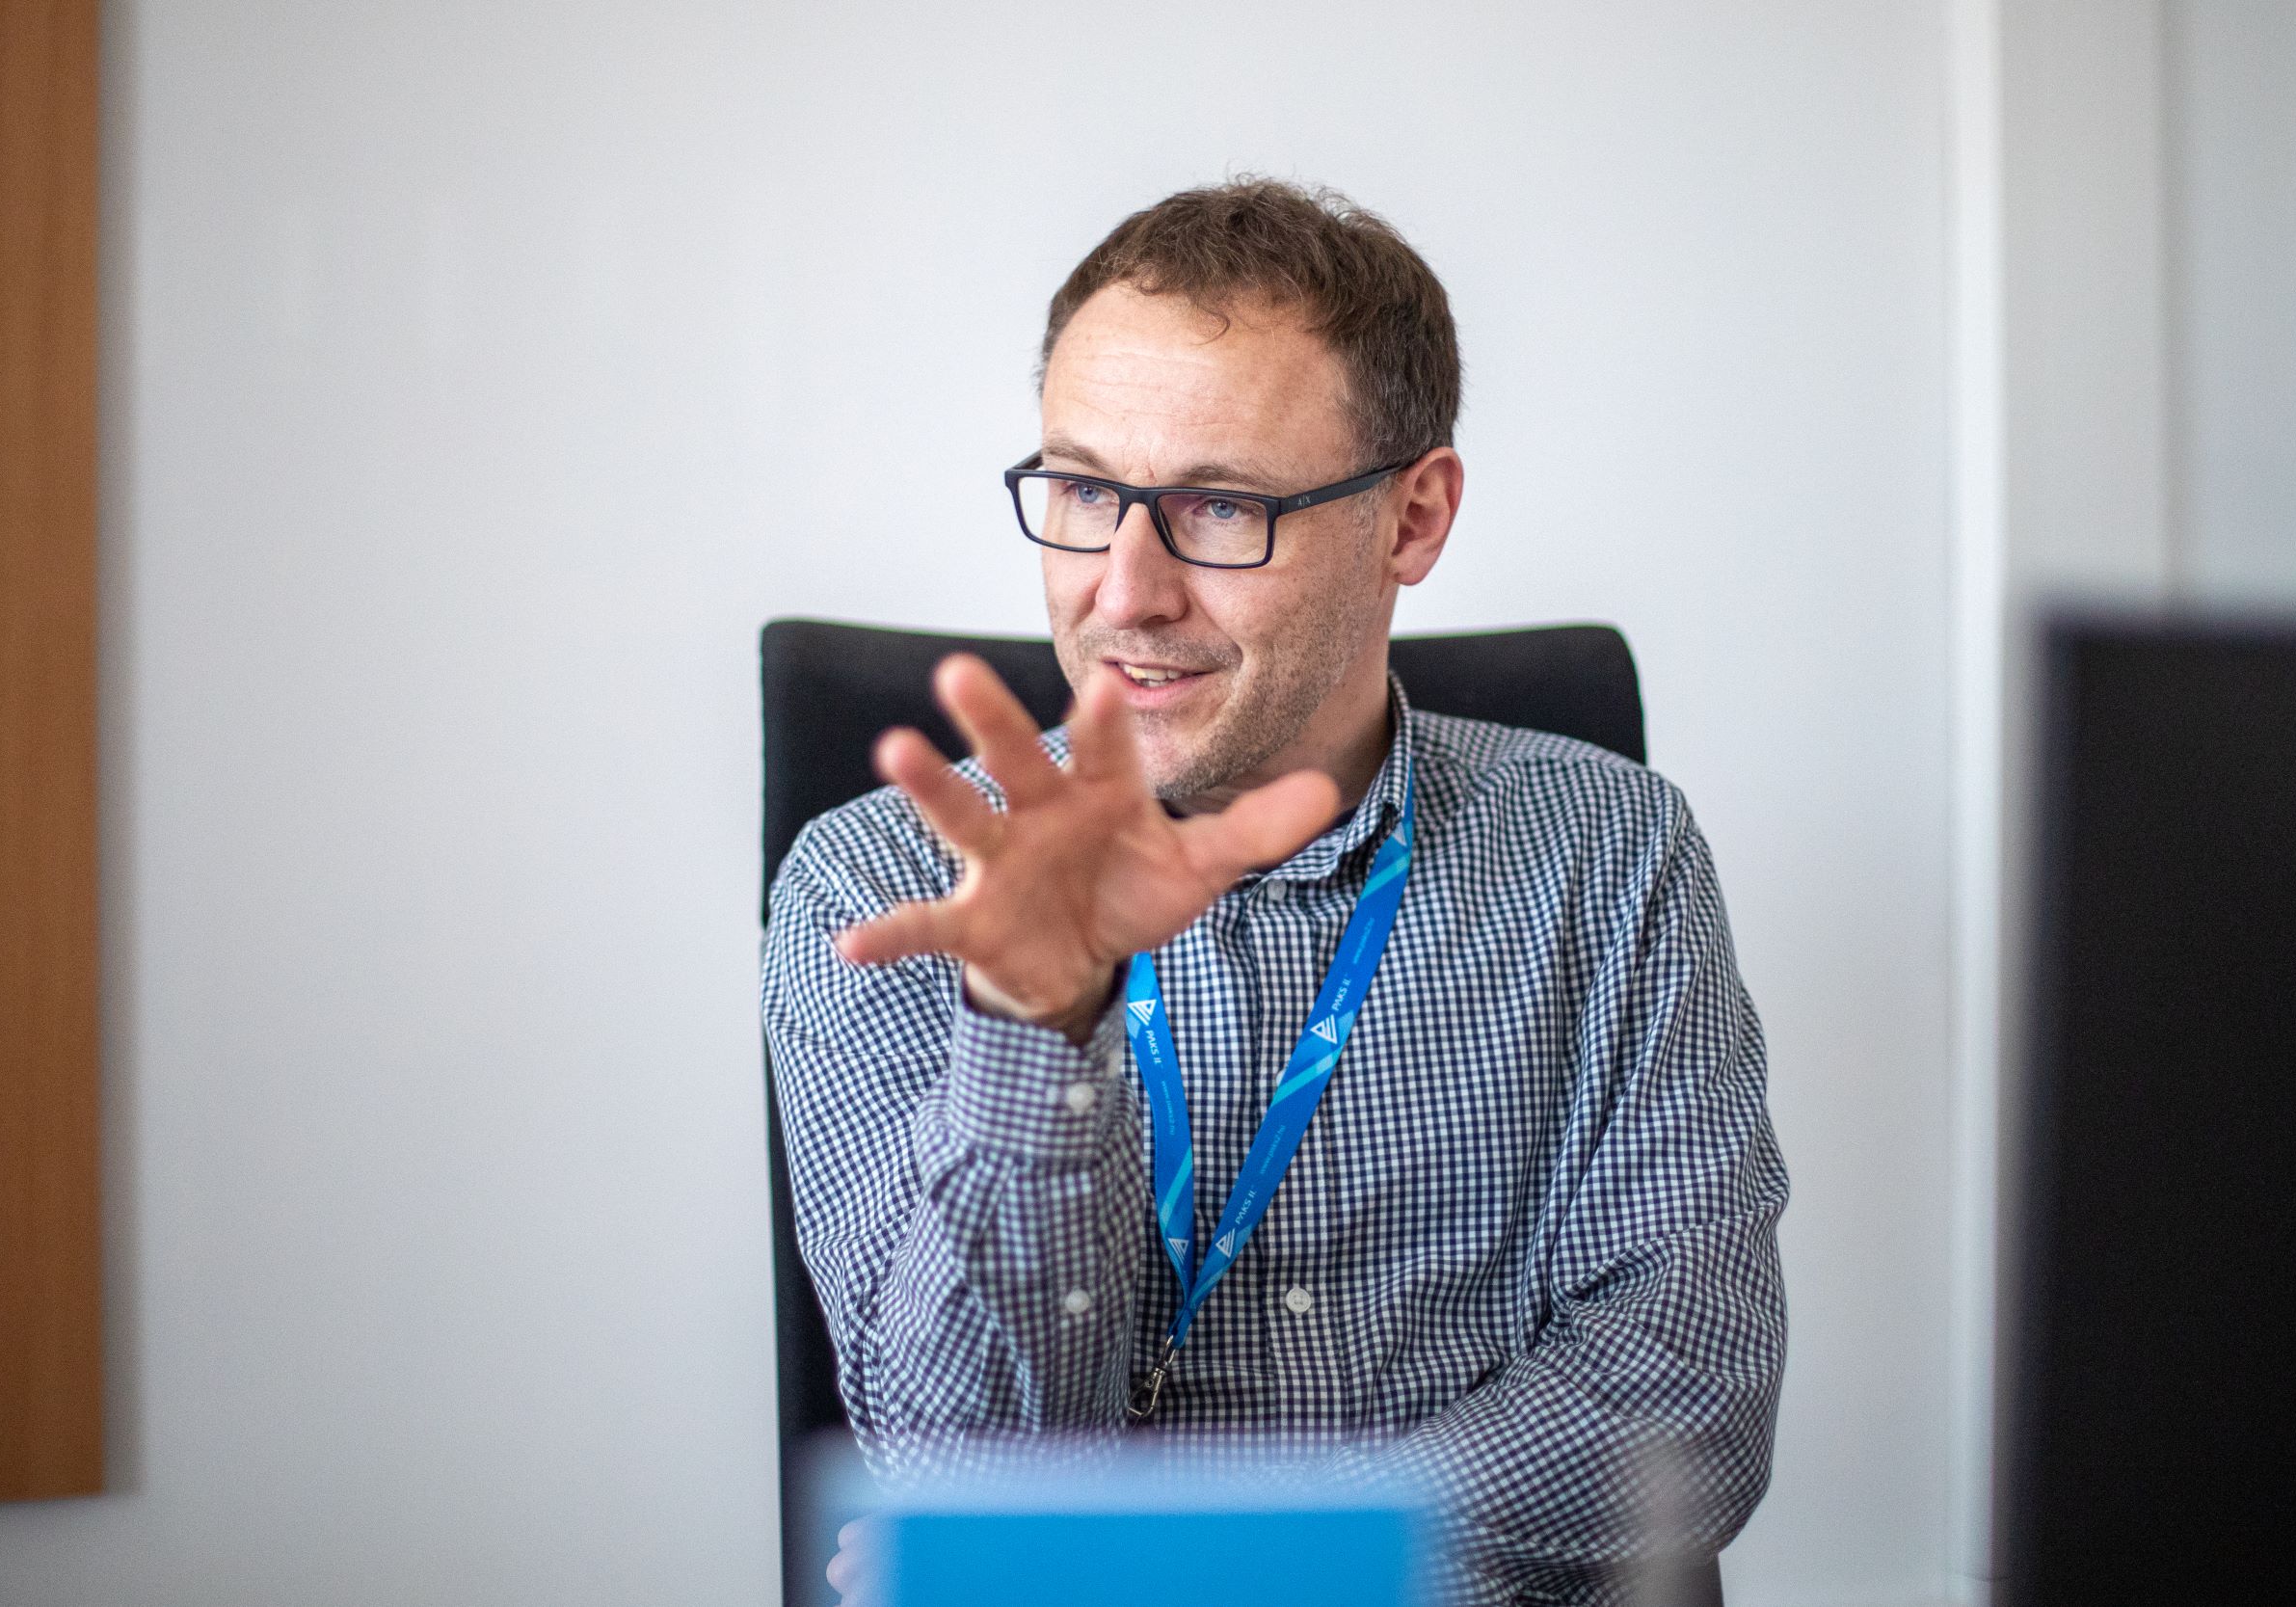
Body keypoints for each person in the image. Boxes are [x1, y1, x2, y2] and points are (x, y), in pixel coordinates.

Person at [760, 178, 1788, 1605]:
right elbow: (961, 1478)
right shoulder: (881, 882)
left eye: (1220, 506)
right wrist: (1034, 1026)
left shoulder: (1610, 854)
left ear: (1413, 519)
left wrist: (1198, 1569)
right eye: (1083, 491)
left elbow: (1682, 1396)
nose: (1124, 592)